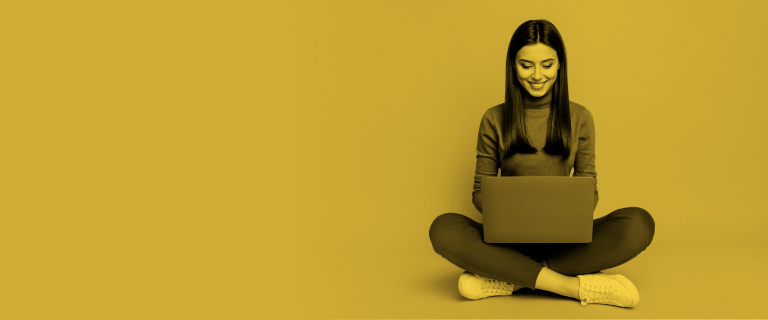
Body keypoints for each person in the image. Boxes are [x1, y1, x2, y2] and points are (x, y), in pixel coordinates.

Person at [428, 19, 655, 308]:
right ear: (513, 66)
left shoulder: (580, 118)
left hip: (566, 244)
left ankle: (507, 276)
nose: (537, 75)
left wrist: (567, 214)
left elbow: (590, 190)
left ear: (560, 66)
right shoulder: (493, 119)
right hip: (507, 242)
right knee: (443, 228)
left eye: (547, 65)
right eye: (527, 65)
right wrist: (513, 215)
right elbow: (478, 191)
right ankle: (571, 286)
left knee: (638, 222)